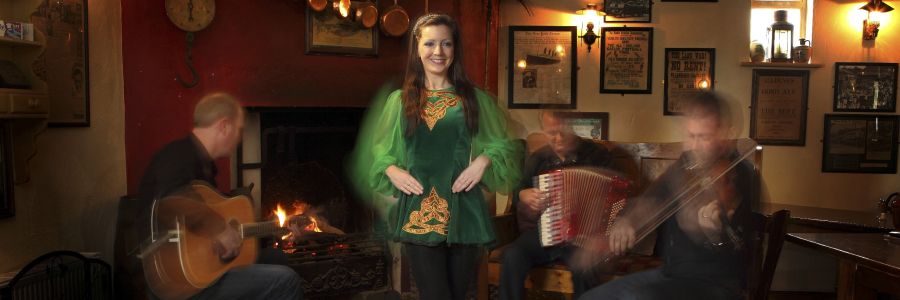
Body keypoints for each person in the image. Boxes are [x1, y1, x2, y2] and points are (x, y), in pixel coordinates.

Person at [349, 13, 522, 300]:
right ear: (417, 49)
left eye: (446, 44)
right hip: (419, 209)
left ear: (455, 49)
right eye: (430, 44)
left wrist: (483, 160)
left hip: (463, 209)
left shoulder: (475, 99)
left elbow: (506, 145)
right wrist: (392, 170)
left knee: (458, 294)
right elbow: (378, 150)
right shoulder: (399, 101)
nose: (438, 52)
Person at [579, 92, 754, 300]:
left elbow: (741, 248)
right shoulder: (685, 166)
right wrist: (626, 221)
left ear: (724, 134)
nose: (694, 146)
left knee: (639, 298)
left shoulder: (740, 176)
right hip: (671, 275)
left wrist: (714, 234)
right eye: (690, 136)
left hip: (716, 284)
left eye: (703, 137)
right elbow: (651, 200)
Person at [136, 92, 302, 300]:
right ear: (224, 126)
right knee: (285, 280)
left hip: (200, 271)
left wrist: (275, 230)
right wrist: (219, 227)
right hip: (180, 282)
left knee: (278, 258)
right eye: (238, 130)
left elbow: (232, 229)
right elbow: (170, 203)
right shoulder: (177, 156)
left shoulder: (205, 169)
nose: (239, 137)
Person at [499, 111, 613, 300]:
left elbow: (615, 194)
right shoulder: (538, 159)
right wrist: (523, 194)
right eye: (552, 133)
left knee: (584, 264)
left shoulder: (597, 155)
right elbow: (519, 188)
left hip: (582, 235)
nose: (558, 138)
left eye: (562, 131)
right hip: (545, 232)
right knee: (513, 256)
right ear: (544, 131)